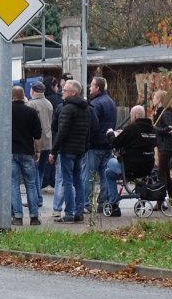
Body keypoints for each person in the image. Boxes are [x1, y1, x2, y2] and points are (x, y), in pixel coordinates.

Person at [103, 105, 157, 217]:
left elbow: (115, 143)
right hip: (147, 166)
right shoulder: (152, 129)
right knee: (109, 173)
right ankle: (114, 200)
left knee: (108, 162)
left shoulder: (133, 128)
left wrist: (111, 134)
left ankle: (113, 203)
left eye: (131, 115)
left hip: (131, 167)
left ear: (136, 115)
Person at [49, 79, 89, 223]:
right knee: (78, 181)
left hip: (67, 149)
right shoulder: (85, 108)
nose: (62, 92)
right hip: (79, 149)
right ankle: (79, 211)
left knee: (67, 181)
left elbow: (62, 131)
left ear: (73, 93)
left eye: (65, 90)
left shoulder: (67, 108)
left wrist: (53, 151)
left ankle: (69, 213)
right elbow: (88, 129)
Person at [8, 86, 43, 225]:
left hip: (10, 152)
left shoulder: (6, 111)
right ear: (23, 96)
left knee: (14, 185)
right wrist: (38, 151)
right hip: (27, 152)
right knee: (31, 184)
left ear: (12, 96)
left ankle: (17, 217)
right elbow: (38, 135)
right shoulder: (31, 112)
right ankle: (34, 217)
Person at [82, 76, 116, 213]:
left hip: (95, 144)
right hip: (107, 143)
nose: (90, 88)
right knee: (105, 176)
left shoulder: (95, 104)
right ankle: (103, 203)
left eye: (92, 86)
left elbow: (92, 124)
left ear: (97, 88)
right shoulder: (111, 102)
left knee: (88, 175)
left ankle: (86, 203)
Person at [28, 81, 54, 206]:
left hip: (35, 142)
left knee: (33, 172)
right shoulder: (48, 103)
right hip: (47, 141)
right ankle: (38, 198)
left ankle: (36, 198)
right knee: (41, 171)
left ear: (33, 91)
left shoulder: (31, 104)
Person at [152, 89, 172, 211]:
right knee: (166, 175)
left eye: (155, 97)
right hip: (163, 146)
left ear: (160, 100)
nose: (153, 99)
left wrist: (155, 129)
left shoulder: (166, 112)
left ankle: (160, 201)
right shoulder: (159, 112)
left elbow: (169, 129)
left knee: (161, 175)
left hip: (166, 146)